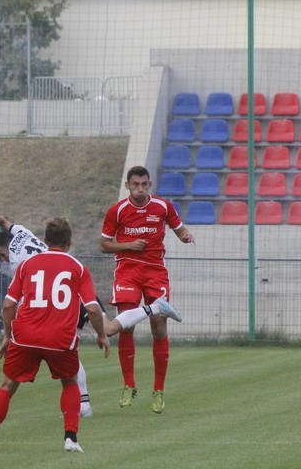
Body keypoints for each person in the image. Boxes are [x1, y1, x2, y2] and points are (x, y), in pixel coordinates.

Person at [0, 211, 182, 418]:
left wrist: (10, 334)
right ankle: (83, 406)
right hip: (68, 286)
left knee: (104, 331)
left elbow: (11, 304)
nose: (4, 259)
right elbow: (6, 222)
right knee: (68, 345)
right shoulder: (21, 233)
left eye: (2, 255)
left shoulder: (18, 262)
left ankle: (155, 308)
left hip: (68, 293)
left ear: (6, 249)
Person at [0, 217, 110, 454]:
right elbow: (93, 308)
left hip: (25, 336)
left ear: (45, 240)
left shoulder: (25, 265)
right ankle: (71, 438)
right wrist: (101, 335)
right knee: (70, 382)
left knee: (7, 385)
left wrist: (8, 335)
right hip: (60, 338)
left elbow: (7, 306)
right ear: (69, 241)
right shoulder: (77, 267)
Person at [100, 165, 194, 414]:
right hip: (127, 271)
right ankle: (129, 385)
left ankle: (159, 390)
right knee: (125, 324)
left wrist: (185, 235)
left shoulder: (162, 206)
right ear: (128, 186)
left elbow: (178, 228)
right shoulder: (117, 211)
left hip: (155, 272)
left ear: (149, 185)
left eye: (144, 184)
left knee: (159, 325)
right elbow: (104, 245)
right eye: (135, 185)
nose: (140, 189)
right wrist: (129, 245)